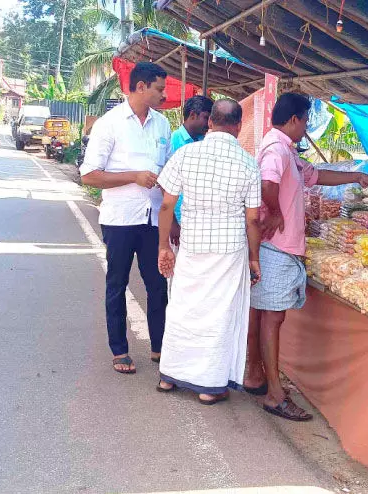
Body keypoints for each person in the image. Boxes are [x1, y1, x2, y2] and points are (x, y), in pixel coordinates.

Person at [243, 92, 368, 421]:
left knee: (263, 314)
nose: (305, 129)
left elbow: (315, 176)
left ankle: (255, 375)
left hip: (278, 247)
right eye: (304, 122)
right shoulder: (276, 149)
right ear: (294, 120)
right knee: (272, 318)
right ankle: (275, 394)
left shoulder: (285, 150)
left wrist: (356, 176)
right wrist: (274, 212)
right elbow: (267, 184)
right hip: (277, 247)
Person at [154, 99, 262, 405]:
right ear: (239, 126)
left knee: (182, 308)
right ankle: (208, 386)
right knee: (218, 315)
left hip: (191, 243)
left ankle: (168, 376)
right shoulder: (247, 163)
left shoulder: (186, 153)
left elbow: (165, 203)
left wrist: (164, 246)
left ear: (210, 122)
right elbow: (252, 218)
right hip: (229, 251)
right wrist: (254, 258)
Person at [80, 62, 172, 374]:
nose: (164, 94)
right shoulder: (110, 123)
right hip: (119, 220)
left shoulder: (162, 126)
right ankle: (120, 350)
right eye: (159, 88)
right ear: (141, 86)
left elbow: (169, 169)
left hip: (152, 220)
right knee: (117, 284)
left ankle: (160, 348)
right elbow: (89, 176)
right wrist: (134, 176)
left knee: (158, 285)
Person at [169, 95, 213, 245]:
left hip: (200, 221)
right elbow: (163, 187)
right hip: (178, 220)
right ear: (192, 115)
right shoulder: (172, 142)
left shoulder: (206, 144)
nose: (209, 124)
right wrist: (172, 223)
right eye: (206, 118)